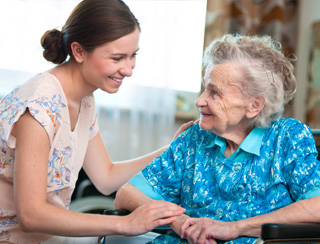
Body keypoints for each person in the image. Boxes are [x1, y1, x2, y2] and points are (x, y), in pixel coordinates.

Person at [0, 0, 193, 243]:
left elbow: (105, 177)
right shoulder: (39, 108)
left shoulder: (84, 99)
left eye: (133, 55)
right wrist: (125, 223)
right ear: (79, 51)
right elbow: (31, 216)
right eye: (117, 58)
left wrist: (171, 151)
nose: (129, 69)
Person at [114, 33, 320, 244]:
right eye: (205, 88)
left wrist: (235, 229)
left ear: (254, 105)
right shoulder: (195, 138)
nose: (199, 101)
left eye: (214, 93)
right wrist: (178, 220)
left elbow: (317, 206)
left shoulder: (286, 137)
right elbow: (126, 194)